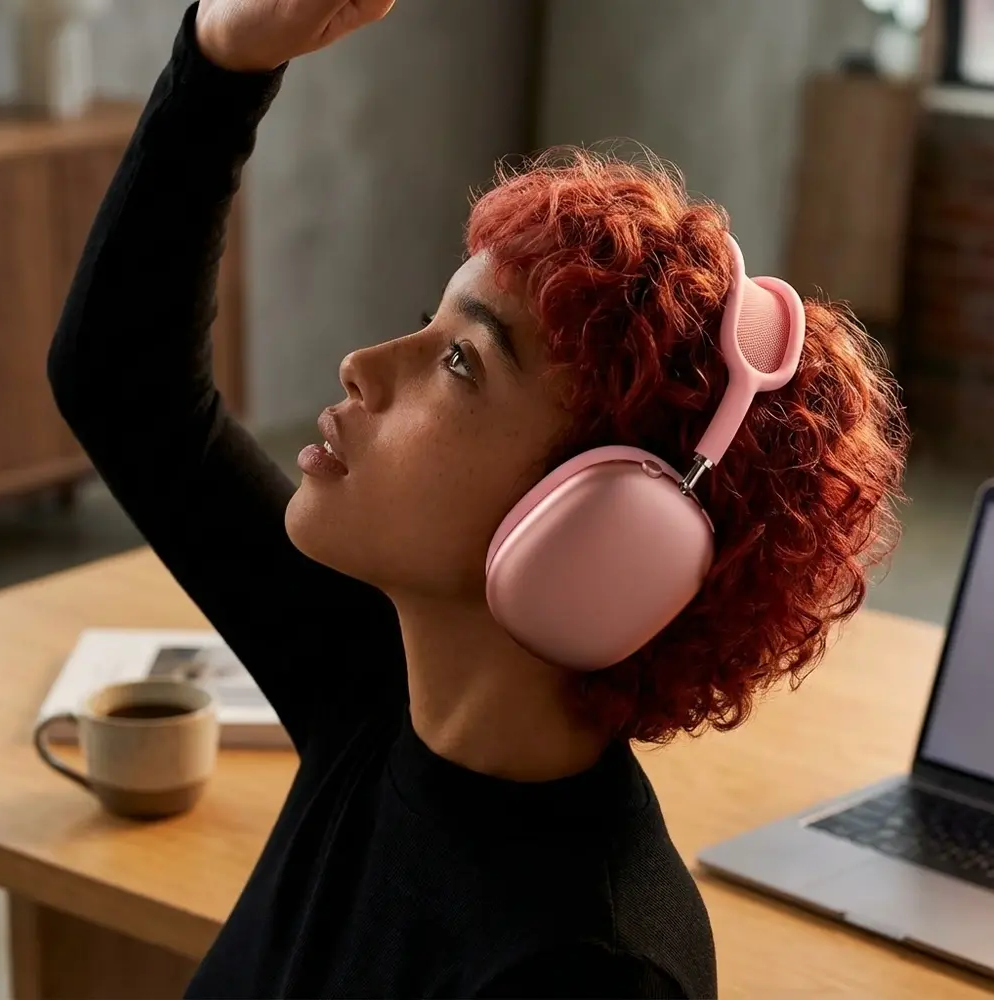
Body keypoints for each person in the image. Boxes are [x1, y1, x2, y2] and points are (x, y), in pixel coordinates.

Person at [45, 1, 908, 996]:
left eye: (460, 359)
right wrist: (224, 57)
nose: (363, 365)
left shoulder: (584, 974)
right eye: (428, 324)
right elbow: (123, 381)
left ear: (600, 531)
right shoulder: (388, 690)